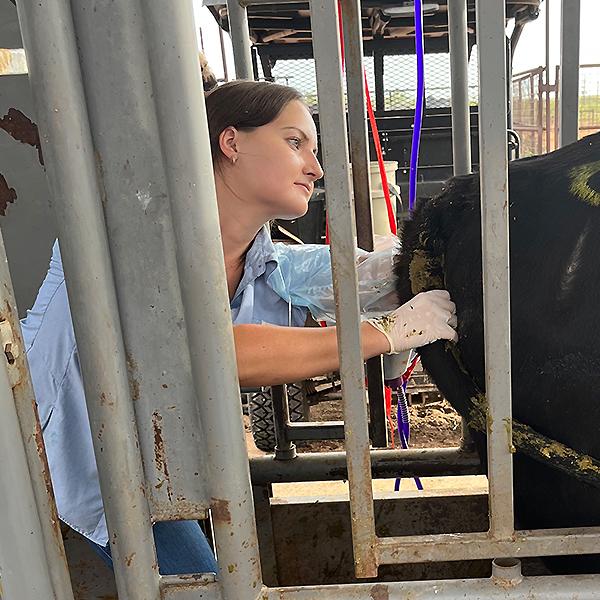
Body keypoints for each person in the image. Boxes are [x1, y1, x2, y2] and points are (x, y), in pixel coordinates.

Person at [21, 80, 457, 576]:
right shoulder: (134, 231)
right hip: (46, 455)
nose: (315, 168)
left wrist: (406, 269)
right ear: (231, 143)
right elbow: (206, 350)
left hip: (139, 472)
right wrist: (386, 332)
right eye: (296, 143)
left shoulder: (259, 260)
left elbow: (344, 276)